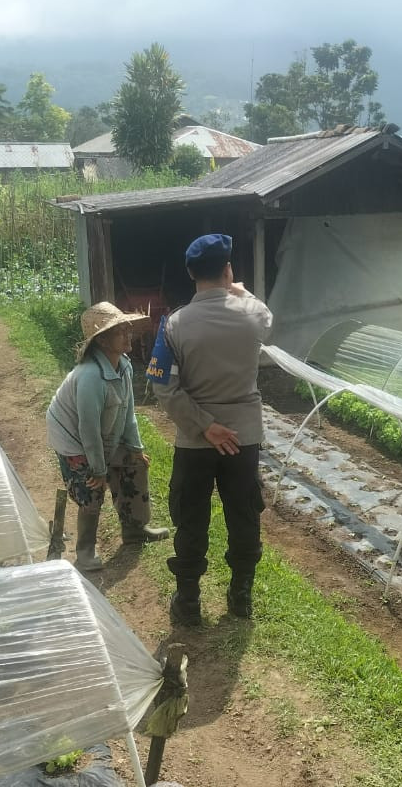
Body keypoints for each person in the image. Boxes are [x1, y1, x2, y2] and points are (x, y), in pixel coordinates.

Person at [150, 233, 273, 624]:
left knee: (190, 516)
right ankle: (241, 597)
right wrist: (240, 291)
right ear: (227, 270)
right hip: (244, 438)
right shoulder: (255, 314)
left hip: (195, 441)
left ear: (190, 272)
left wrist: (205, 426)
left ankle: (188, 602)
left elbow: (162, 385)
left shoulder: (174, 325)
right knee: (243, 515)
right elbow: (261, 310)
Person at [46, 302, 169, 572]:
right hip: (73, 439)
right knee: (91, 486)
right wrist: (99, 470)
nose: (128, 335)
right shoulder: (90, 376)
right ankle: (85, 551)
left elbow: (127, 412)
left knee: (136, 464)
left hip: (102, 434)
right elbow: (87, 430)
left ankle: (136, 529)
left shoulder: (123, 366)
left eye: (127, 329)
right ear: (101, 340)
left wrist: (135, 447)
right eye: (120, 331)